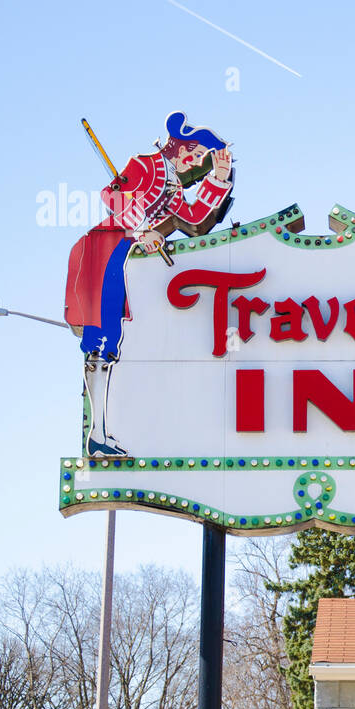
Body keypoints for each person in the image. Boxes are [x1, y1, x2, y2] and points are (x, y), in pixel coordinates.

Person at [64, 111, 234, 455]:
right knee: (102, 338)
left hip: (126, 260)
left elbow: (193, 218)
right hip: (106, 251)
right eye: (198, 155)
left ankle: (100, 434)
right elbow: (111, 196)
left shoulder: (171, 184)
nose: (197, 163)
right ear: (181, 148)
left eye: (202, 159)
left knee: (114, 340)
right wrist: (141, 231)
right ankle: (97, 435)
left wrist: (219, 179)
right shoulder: (144, 164)